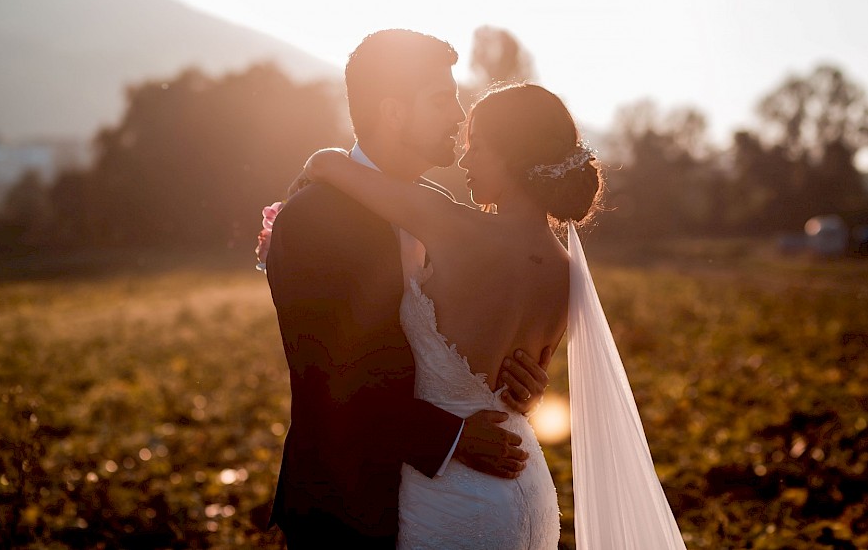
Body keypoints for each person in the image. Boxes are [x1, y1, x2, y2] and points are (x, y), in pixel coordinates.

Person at [301, 82, 689, 548]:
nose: (463, 162)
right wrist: (529, 393)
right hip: (527, 489)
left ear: (514, 157)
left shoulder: (450, 224)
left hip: (450, 493)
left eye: (476, 147)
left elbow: (324, 165)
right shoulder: (568, 272)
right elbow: (524, 387)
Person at [262, 29, 553, 549]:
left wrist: (511, 382)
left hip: (446, 507)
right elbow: (327, 376)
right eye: (443, 100)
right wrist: (453, 435)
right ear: (394, 112)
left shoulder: (437, 204)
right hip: (348, 512)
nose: (459, 117)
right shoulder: (313, 217)